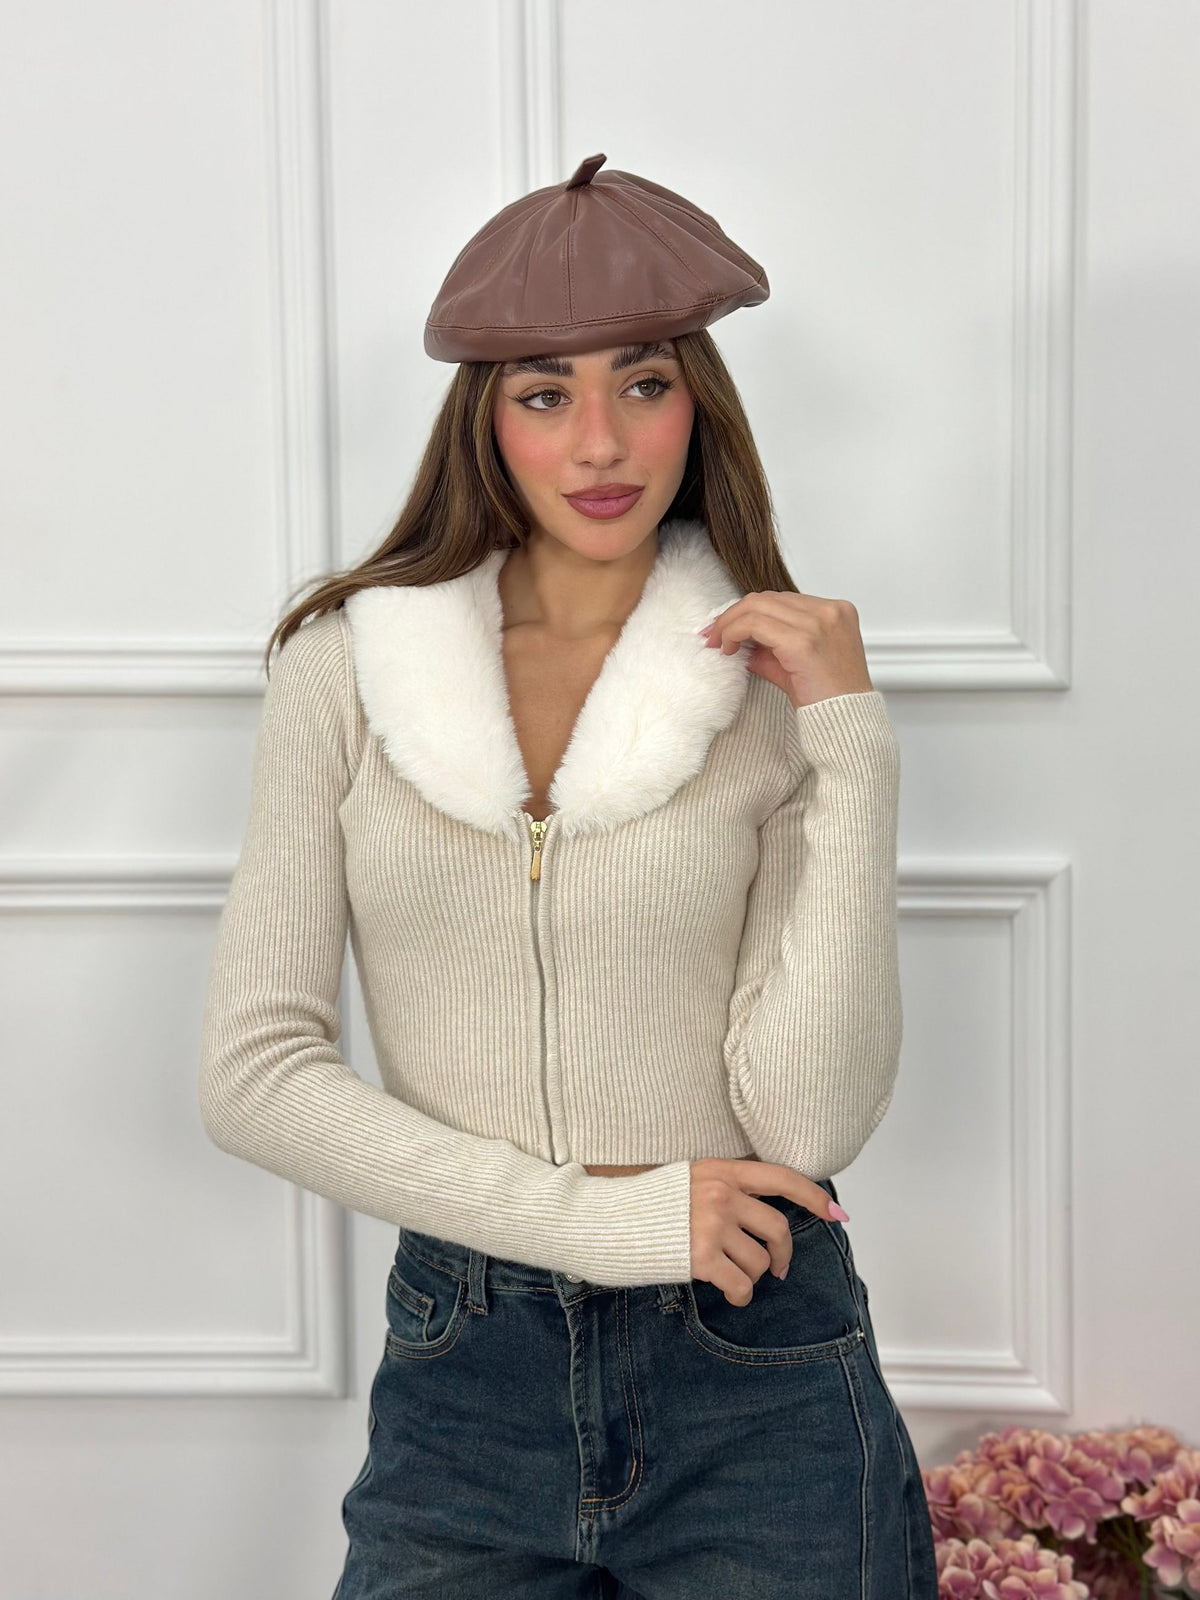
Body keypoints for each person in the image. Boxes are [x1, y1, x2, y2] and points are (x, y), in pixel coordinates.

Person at [198, 152, 938, 1597]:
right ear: (485, 420)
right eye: (545, 395)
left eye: (643, 384)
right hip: (465, 1370)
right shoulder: (347, 669)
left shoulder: (772, 685)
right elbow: (252, 1074)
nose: (601, 442)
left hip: (755, 1358)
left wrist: (852, 743)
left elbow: (807, 1120)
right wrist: (600, 1221)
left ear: (698, 403)